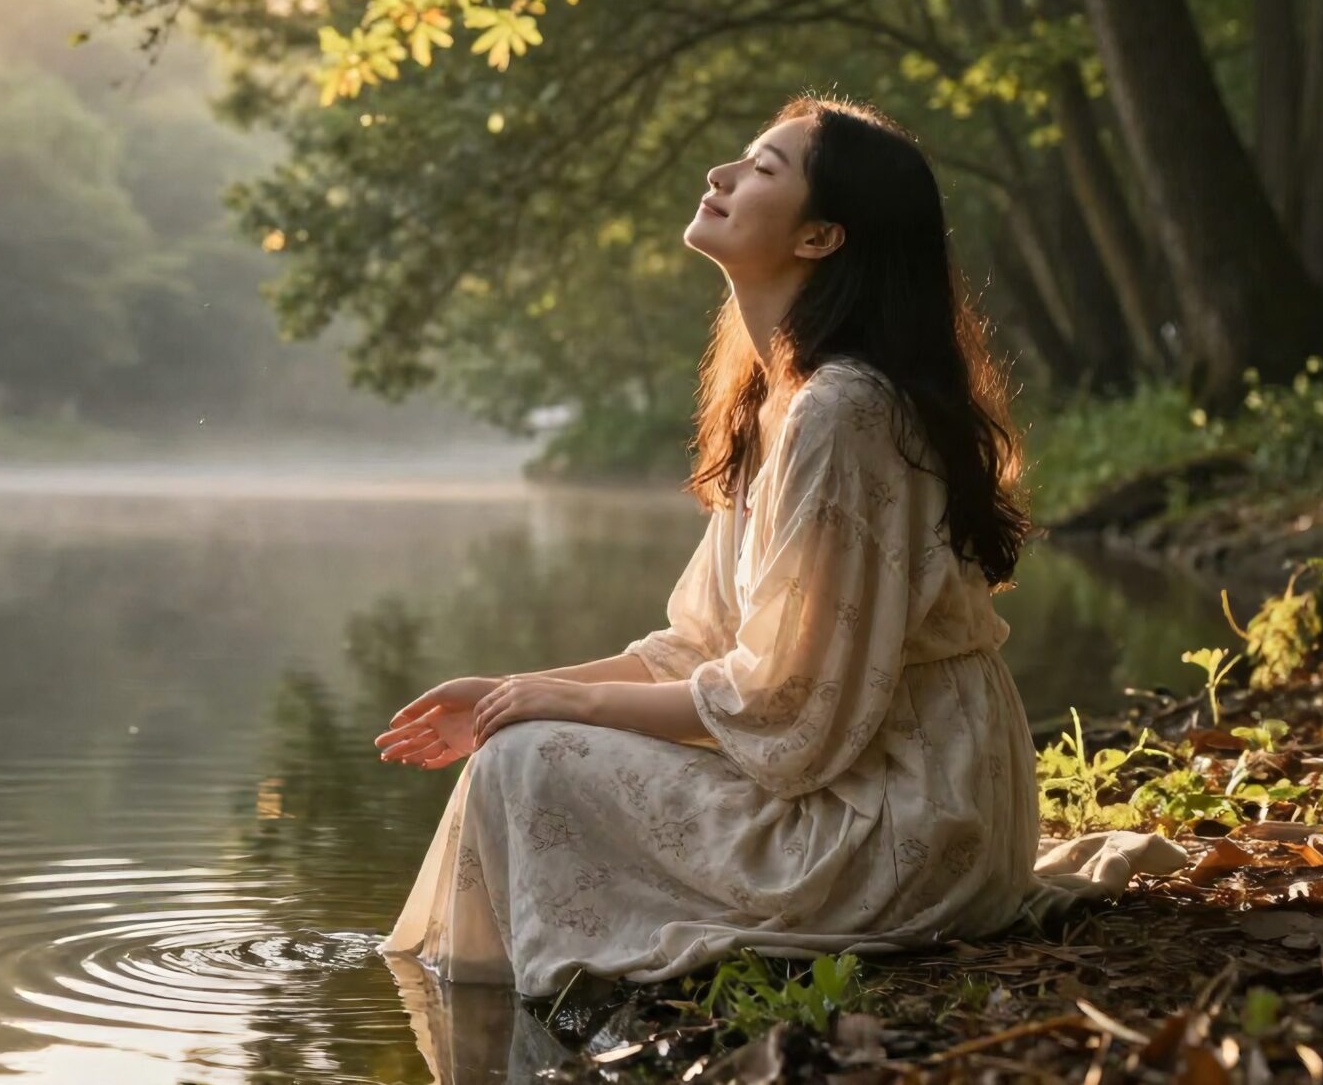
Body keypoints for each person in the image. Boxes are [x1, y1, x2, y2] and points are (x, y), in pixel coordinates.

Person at [372, 95, 1184, 1004]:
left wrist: (560, 704)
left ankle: (479, 1025)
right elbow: (698, 647)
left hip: (905, 817)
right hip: (865, 775)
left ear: (821, 237)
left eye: (763, 169)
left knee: (526, 759)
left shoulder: (844, 411)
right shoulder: (774, 403)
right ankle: (471, 1031)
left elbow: (789, 704)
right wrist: (508, 690)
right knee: (516, 744)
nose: (720, 176)